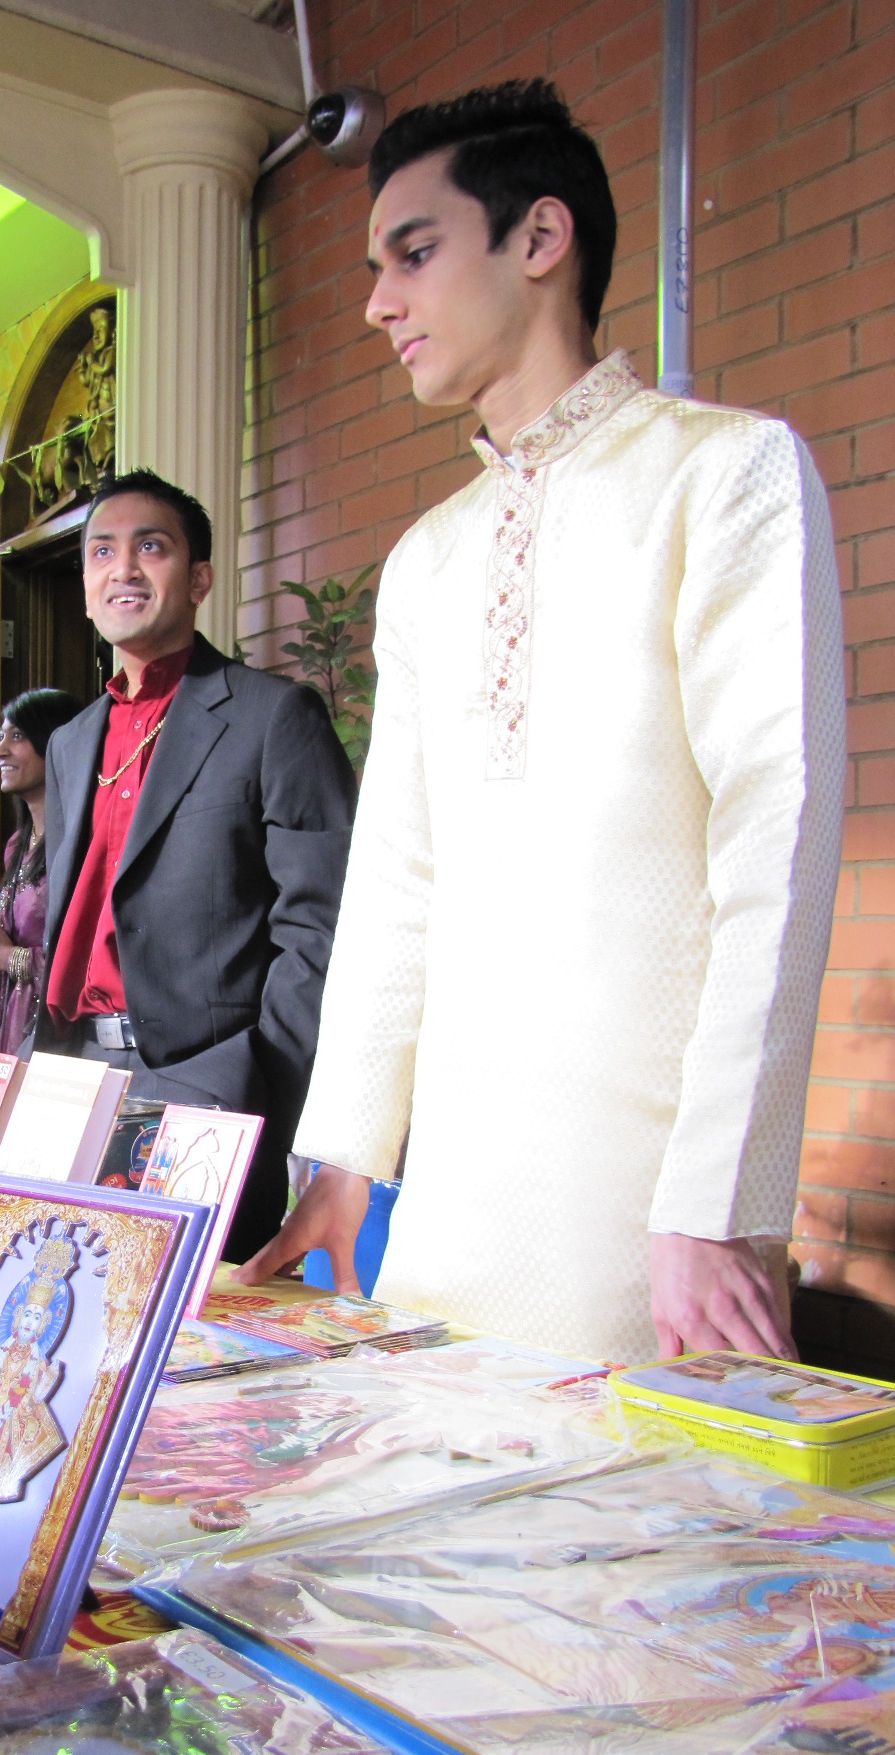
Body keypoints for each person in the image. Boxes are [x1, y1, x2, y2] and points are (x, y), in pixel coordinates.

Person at [241, 81, 844, 1366]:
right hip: (455, 1197)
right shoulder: (425, 560)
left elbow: (775, 838)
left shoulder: (721, 474)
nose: (377, 303)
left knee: (629, 1552)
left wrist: (717, 1201)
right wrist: (346, 1152)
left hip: (647, 1206)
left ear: (540, 238)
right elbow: (398, 877)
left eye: (414, 253)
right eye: (371, 267)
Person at [38, 468, 357, 1262]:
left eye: (152, 547)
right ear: (84, 585)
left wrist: (263, 1083)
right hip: (71, 1076)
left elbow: (323, 926)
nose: (124, 568)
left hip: (204, 1087)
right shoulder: (73, 741)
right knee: (61, 1312)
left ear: (200, 577)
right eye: (101, 552)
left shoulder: (269, 717)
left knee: (198, 1337)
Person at [0, 687, 82, 1055]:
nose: (0, 751)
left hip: (63, 1044)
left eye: (18, 736)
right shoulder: (18, 845)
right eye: (1, 736)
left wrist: (12, 958)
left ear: (57, 742)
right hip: (16, 1030)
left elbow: (90, 962)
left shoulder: (83, 845)